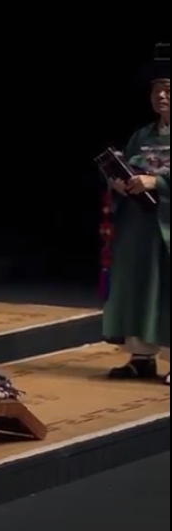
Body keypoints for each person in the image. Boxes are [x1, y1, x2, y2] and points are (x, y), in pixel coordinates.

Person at [103, 44, 170, 384]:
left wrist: (156, 181)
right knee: (140, 287)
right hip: (141, 227)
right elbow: (129, 169)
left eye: (169, 90)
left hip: (168, 227)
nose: (162, 96)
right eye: (157, 89)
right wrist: (120, 183)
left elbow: (154, 178)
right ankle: (142, 357)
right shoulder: (142, 136)